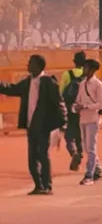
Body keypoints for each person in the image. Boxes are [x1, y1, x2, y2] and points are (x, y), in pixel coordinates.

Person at [0, 54, 67, 194]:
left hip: (44, 126)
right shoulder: (28, 82)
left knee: (42, 155)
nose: (28, 65)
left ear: (38, 65)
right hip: (32, 126)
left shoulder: (48, 82)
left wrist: (63, 123)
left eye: (30, 63)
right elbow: (12, 89)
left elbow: (59, 103)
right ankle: (38, 185)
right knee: (32, 159)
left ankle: (47, 186)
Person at [72, 59, 102, 185]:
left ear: (92, 70)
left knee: (91, 148)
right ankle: (98, 170)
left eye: (86, 67)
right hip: (83, 119)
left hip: (93, 119)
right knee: (87, 148)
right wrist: (75, 107)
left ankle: (89, 175)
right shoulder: (82, 84)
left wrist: (86, 107)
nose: (84, 70)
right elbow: (78, 100)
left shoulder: (98, 85)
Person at [58, 51, 87, 172]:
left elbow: (60, 93)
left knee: (69, 135)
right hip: (83, 109)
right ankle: (80, 155)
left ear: (74, 61)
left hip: (70, 109)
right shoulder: (87, 75)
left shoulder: (67, 74)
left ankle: (73, 152)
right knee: (81, 135)